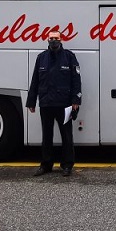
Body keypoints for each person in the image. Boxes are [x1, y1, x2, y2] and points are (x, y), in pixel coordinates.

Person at [27, 28, 82, 177]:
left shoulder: (69, 57)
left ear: (61, 40)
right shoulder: (41, 58)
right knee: (46, 136)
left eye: (56, 38)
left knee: (67, 136)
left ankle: (67, 165)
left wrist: (76, 100)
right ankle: (46, 165)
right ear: (47, 40)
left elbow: (76, 80)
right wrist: (31, 101)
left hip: (64, 105)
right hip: (46, 103)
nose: (53, 41)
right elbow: (35, 81)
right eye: (51, 38)